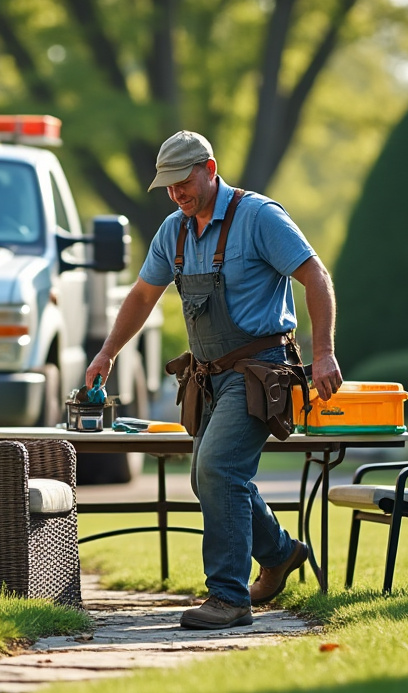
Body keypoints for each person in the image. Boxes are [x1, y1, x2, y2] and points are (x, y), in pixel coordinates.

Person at [84, 130, 343, 629]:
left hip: (261, 372)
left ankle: (229, 598)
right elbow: (142, 296)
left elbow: (316, 276)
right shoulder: (172, 232)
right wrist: (107, 352)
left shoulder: (259, 217)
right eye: (168, 186)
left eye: (183, 181)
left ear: (209, 168)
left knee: (217, 470)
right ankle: (281, 552)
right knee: (211, 475)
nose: (177, 193)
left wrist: (325, 351)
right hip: (208, 378)